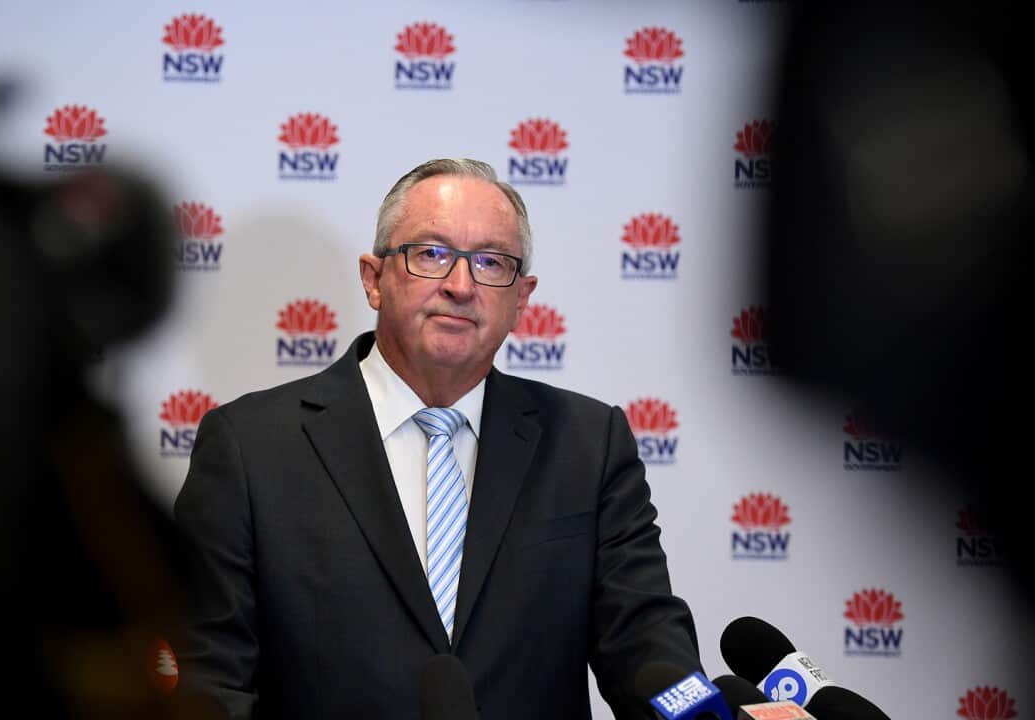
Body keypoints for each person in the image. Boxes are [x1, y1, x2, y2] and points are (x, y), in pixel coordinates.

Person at [173, 158, 701, 719]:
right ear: (374, 279)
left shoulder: (588, 446)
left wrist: (697, 711)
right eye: (431, 254)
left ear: (522, 300)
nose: (461, 285)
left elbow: (646, 642)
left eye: (490, 262)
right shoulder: (251, 448)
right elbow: (209, 677)